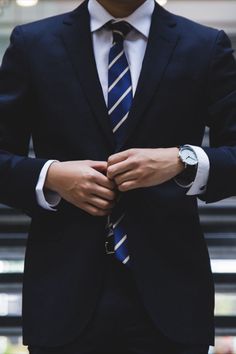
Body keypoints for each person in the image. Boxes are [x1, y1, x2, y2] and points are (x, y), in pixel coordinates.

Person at [0, 0, 236, 353]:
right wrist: (50, 175)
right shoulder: (32, 43)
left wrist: (183, 159)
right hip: (62, 295)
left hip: (172, 299)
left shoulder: (204, 45)